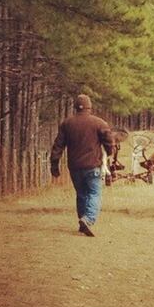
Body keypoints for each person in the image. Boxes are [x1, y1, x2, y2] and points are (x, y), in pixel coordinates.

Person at [50, 94, 114, 237]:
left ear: (76, 107)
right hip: (93, 166)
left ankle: (82, 223)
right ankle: (88, 219)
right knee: (94, 193)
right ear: (89, 107)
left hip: (74, 167)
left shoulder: (67, 124)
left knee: (81, 194)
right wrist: (109, 152)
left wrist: (54, 165)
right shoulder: (99, 123)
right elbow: (109, 142)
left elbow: (57, 146)